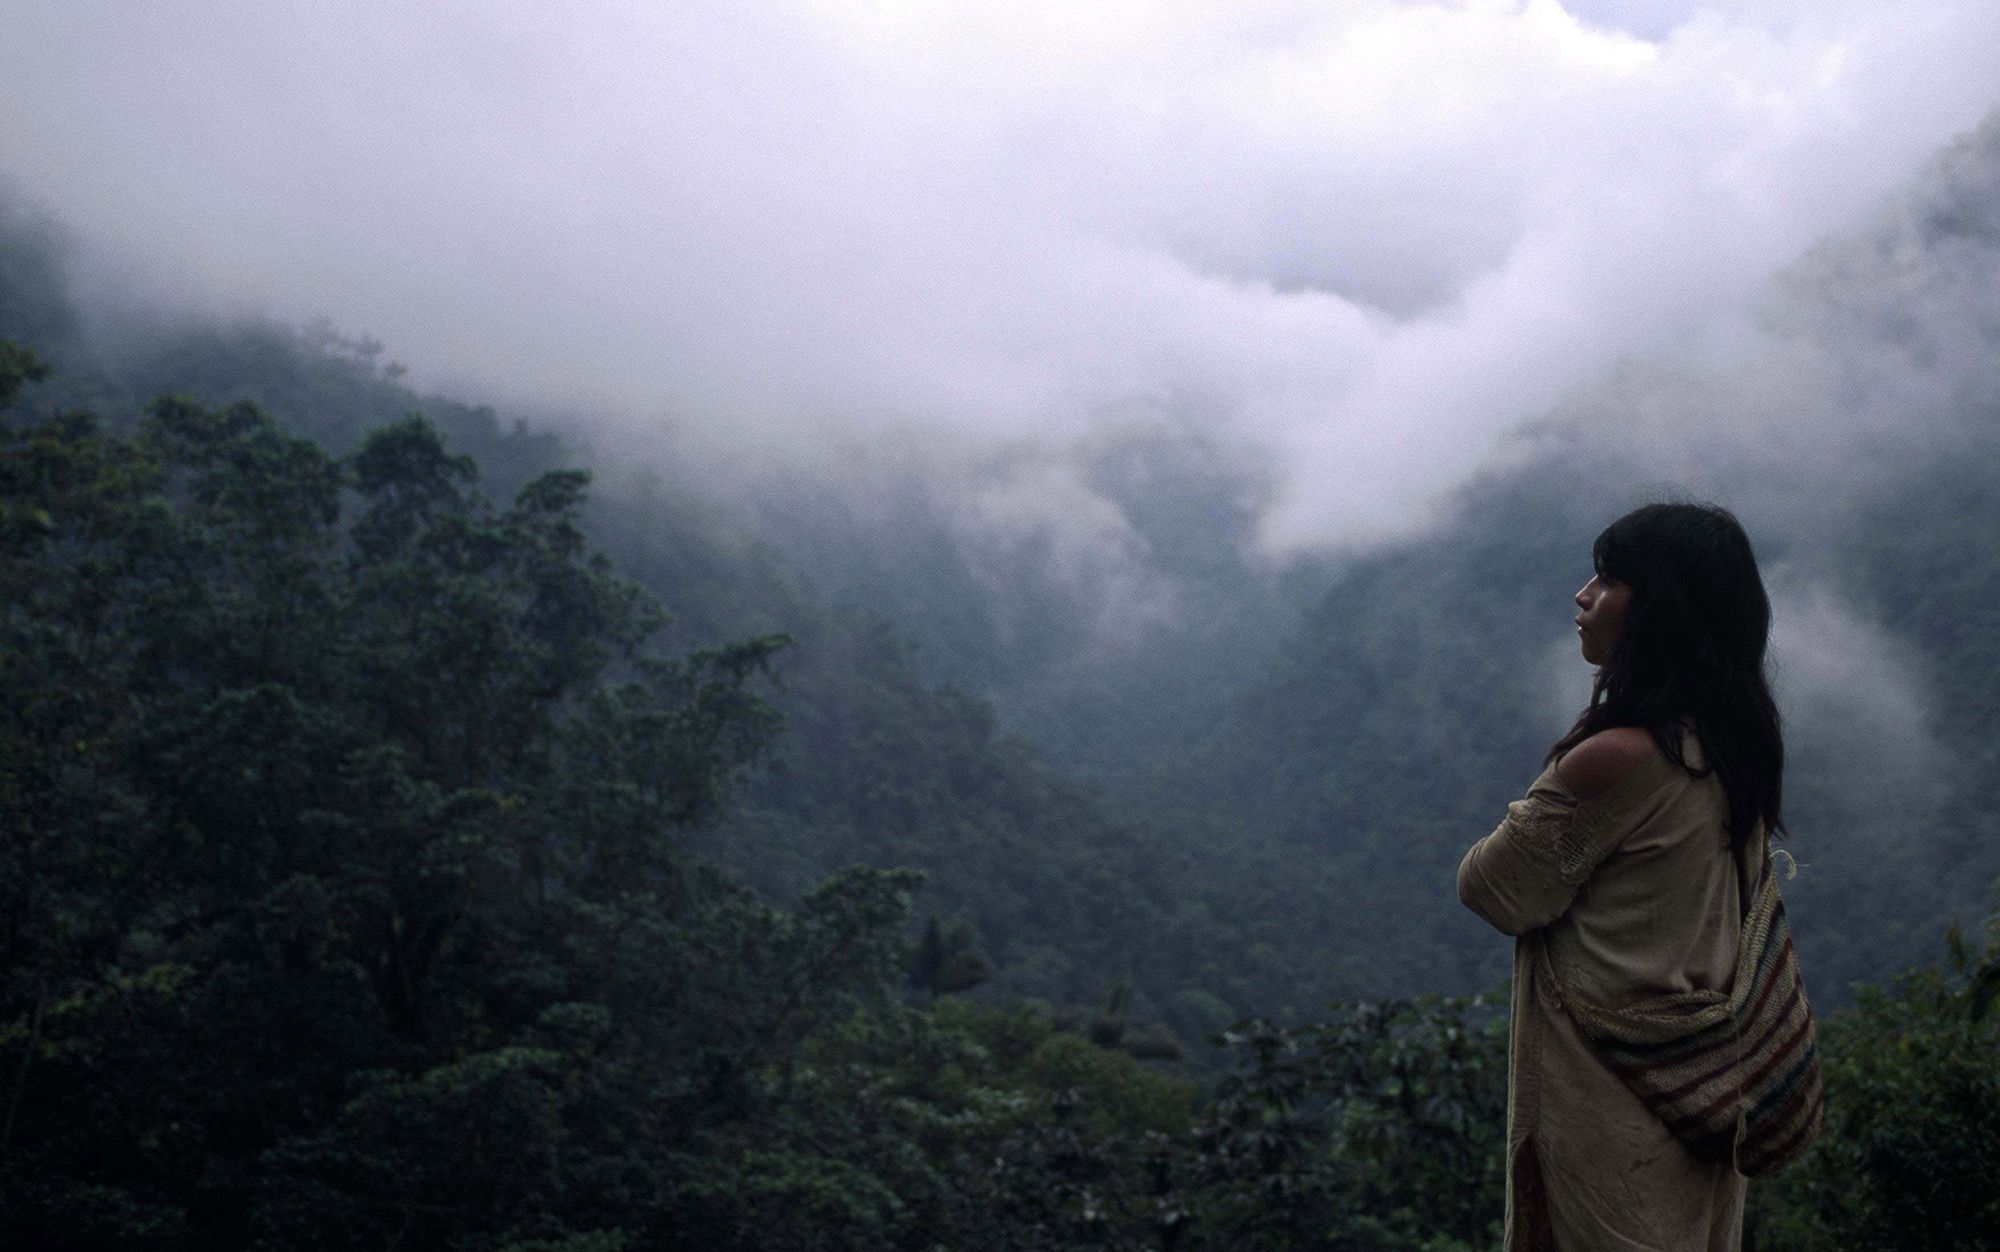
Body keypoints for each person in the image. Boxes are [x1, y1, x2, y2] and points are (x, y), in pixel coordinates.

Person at [1457, 502, 1790, 1252]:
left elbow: (1492, 888)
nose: (1583, 595)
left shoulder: (1618, 759)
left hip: (1607, 1104)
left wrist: (1554, 783)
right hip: (1700, 1093)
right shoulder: (1732, 748)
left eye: (1609, 579)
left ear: (1661, 609)